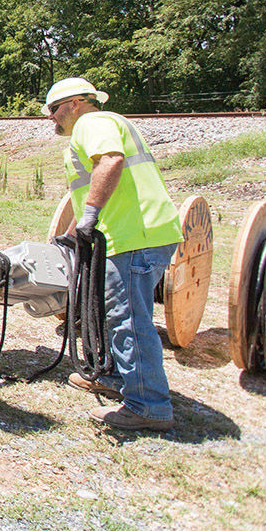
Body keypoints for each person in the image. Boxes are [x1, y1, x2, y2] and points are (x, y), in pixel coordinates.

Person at [43, 77, 182, 432]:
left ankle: (148, 405)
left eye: (55, 109)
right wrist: (72, 233)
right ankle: (121, 380)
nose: (52, 118)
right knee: (117, 313)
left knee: (129, 320)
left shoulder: (93, 123)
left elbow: (110, 161)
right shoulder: (103, 124)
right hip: (136, 233)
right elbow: (93, 187)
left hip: (135, 236)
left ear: (76, 103)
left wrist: (91, 217)